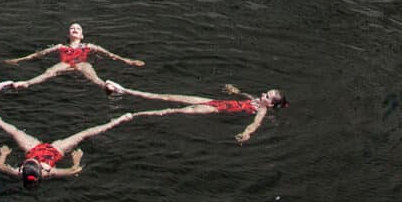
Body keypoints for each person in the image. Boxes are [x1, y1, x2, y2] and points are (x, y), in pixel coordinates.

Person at [0, 94, 187, 186]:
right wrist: (77, 157)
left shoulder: (21, 170)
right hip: (55, 152)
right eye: (30, 164)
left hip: (37, 148)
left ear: (25, 168)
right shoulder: (48, 172)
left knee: (12, 131)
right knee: (84, 133)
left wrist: (3, 154)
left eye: (27, 164)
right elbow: (74, 170)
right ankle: (119, 120)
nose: (28, 164)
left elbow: (0, 167)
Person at [102, 78, 286, 143]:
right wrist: (234, 91)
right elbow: (244, 96)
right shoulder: (255, 100)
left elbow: (255, 124)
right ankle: (124, 90)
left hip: (213, 110)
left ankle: (133, 115)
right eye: (266, 92)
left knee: (171, 111)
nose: (263, 94)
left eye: (267, 96)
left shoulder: (261, 111)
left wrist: (246, 134)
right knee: (168, 97)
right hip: (215, 101)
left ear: (270, 105)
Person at [2, 20, 146, 92]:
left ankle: (105, 86)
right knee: (49, 71)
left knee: (89, 71)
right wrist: (20, 60)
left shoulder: (89, 46)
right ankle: (27, 83)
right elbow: (38, 54)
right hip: (65, 64)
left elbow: (110, 55)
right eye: (72, 28)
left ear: (82, 35)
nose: (75, 29)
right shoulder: (61, 47)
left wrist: (128, 61)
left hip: (81, 63)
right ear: (68, 34)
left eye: (78, 28)